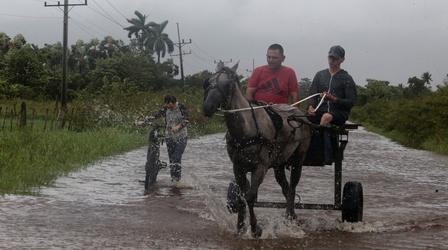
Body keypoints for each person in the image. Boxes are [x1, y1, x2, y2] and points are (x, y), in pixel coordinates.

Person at [307, 45, 357, 126]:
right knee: (298, 118)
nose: (332, 61)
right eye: (330, 57)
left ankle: (320, 136)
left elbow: (351, 102)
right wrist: (310, 106)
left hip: (339, 113)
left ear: (342, 60)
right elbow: (312, 94)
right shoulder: (320, 75)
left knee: (326, 117)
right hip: (319, 111)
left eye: (335, 58)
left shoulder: (347, 78)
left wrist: (334, 99)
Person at [152, 95, 189, 182]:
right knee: (172, 159)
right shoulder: (165, 108)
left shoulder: (181, 107)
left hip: (182, 136)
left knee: (176, 157)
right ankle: (174, 179)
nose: (168, 107)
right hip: (169, 137)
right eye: (167, 105)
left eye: (170, 105)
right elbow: (156, 116)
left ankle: (177, 179)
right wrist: (146, 120)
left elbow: (187, 119)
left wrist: (178, 127)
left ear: (174, 102)